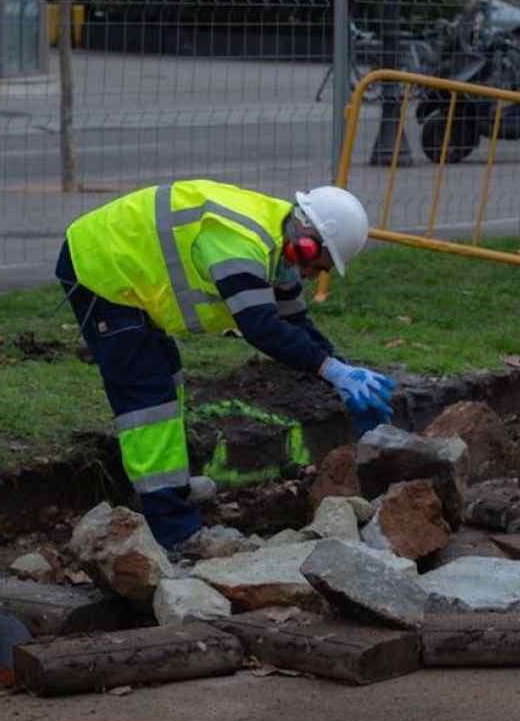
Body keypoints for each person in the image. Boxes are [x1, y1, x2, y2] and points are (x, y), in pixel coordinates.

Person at [55, 180, 397, 550]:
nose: (314, 275)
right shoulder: (240, 243)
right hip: (101, 269)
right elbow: (262, 328)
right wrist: (331, 370)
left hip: (124, 268)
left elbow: (296, 324)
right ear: (307, 241)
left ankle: (172, 486)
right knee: (147, 398)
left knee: (167, 375)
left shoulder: (276, 241)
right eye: (318, 264)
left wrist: (345, 372)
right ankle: (175, 531)